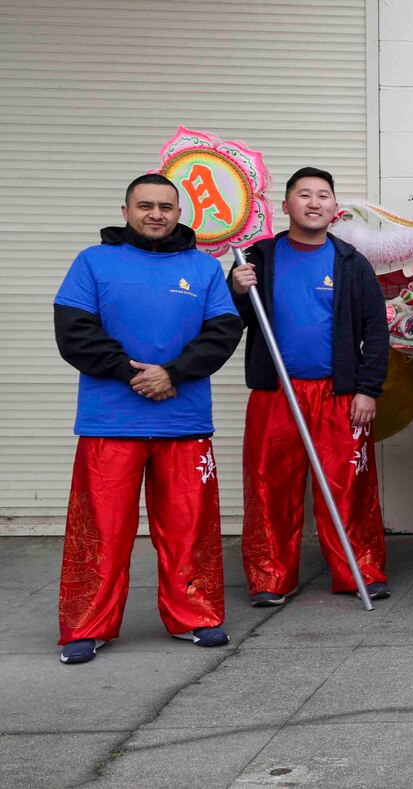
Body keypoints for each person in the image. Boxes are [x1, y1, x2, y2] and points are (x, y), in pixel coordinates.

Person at [52, 174, 244, 664]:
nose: (155, 214)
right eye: (145, 205)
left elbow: (221, 332)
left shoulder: (202, 268)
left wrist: (173, 374)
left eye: (166, 206)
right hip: (109, 422)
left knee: (188, 527)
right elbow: (75, 332)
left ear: (179, 213)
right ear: (125, 210)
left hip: (184, 421)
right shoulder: (93, 262)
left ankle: (195, 616)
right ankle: (85, 627)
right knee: (102, 529)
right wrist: (132, 373)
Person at [229, 167, 391, 607]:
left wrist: (367, 389)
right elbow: (227, 323)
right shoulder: (256, 258)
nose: (314, 202)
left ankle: (360, 570)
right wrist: (236, 291)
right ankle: (270, 577)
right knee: (269, 486)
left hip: (339, 395)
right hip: (275, 393)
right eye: (304, 195)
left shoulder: (351, 262)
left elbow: (376, 332)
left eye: (323, 195)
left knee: (348, 487)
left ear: (334, 207)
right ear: (286, 206)